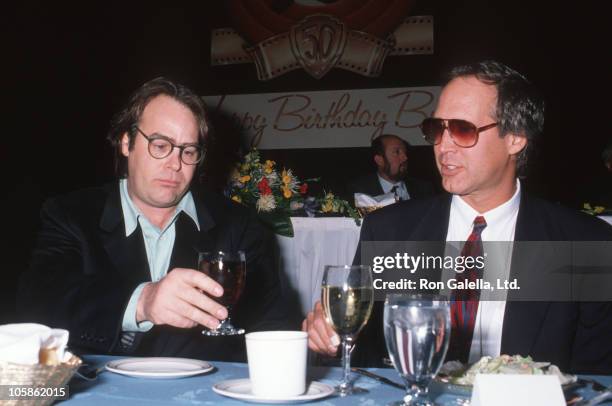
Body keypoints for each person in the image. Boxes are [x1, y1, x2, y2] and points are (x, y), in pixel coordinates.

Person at [304, 61, 612, 374]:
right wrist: (335, 339)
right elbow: (365, 356)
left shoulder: (585, 243)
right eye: (436, 129)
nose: (442, 145)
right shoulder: (388, 230)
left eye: (463, 129)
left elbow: (597, 382)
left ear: (516, 138)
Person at [18, 77, 298, 361]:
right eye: (161, 145)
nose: (175, 164)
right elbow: (41, 302)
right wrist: (142, 301)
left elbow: (274, 328)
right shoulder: (71, 214)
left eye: (188, 151)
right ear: (126, 143)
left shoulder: (238, 226)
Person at [347, 134, 434, 201]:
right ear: (379, 160)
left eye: (405, 152)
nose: (405, 157)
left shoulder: (424, 189)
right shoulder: (360, 190)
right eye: (397, 152)